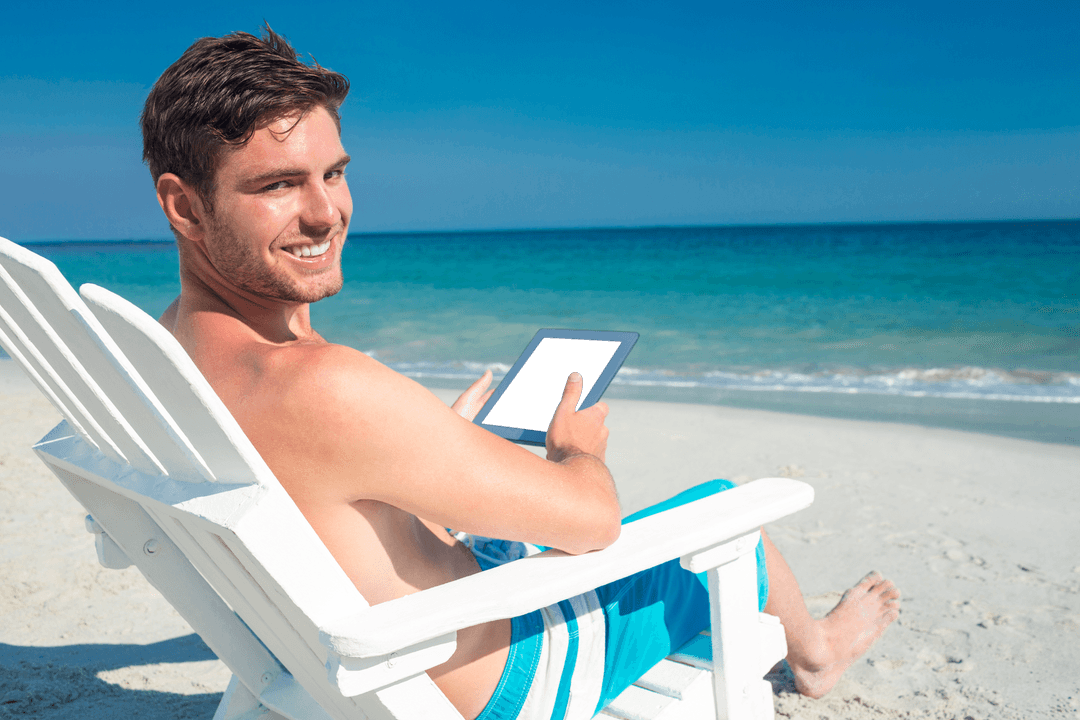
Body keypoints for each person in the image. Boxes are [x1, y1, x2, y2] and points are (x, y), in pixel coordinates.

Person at [143, 25, 900, 720]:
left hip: (332, 651)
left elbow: (321, 498)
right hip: (498, 677)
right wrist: (577, 453)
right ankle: (818, 655)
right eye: (277, 185)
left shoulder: (161, 355)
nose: (325, 213)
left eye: (334, 174)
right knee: (728, 512)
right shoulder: (322, 385)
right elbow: (590, 522)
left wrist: (423, 442)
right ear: (183, 205)